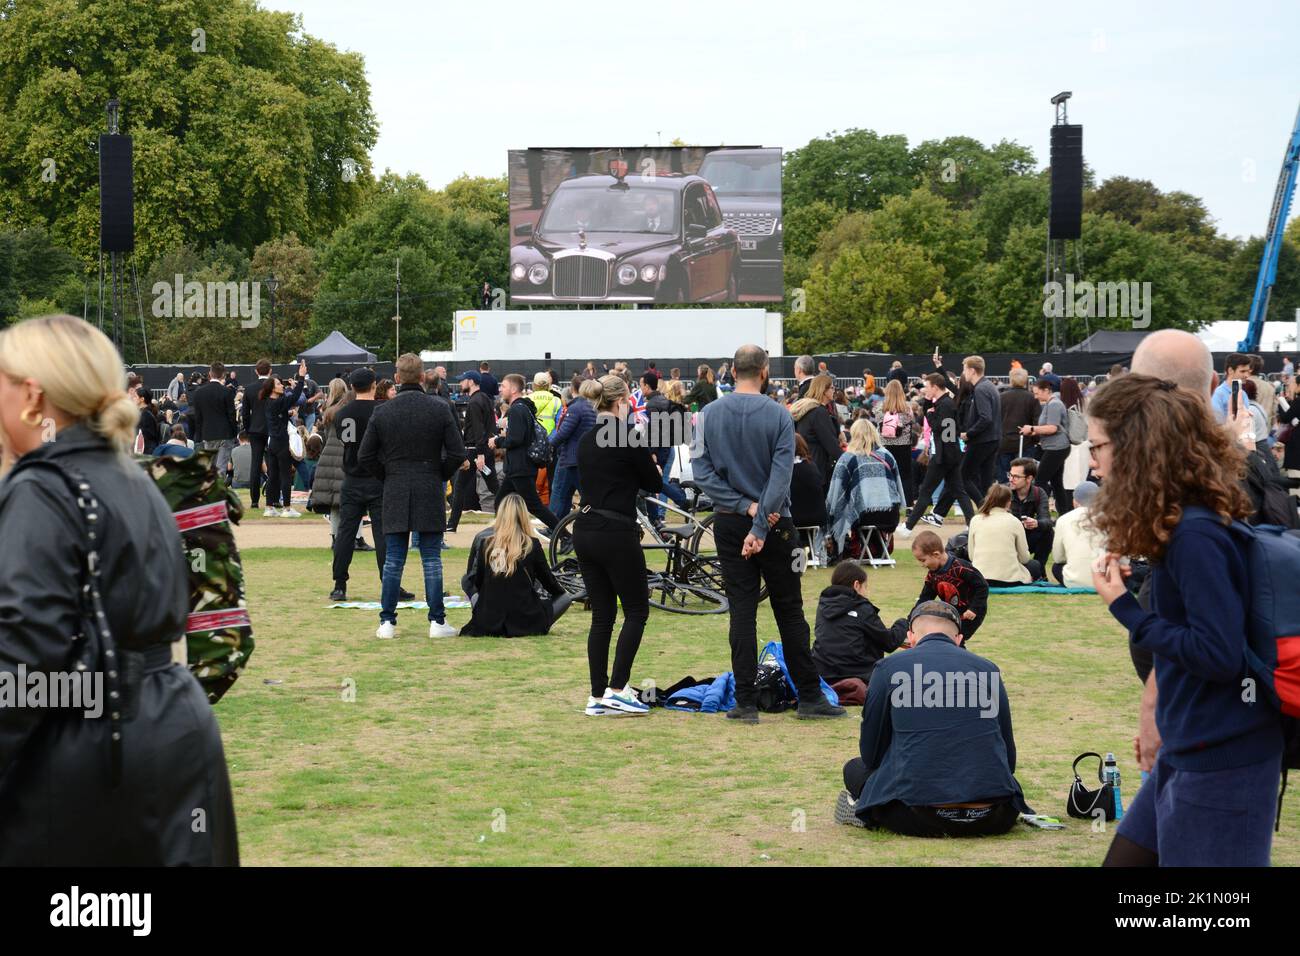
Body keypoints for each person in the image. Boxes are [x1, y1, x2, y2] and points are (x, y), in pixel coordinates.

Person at [0, 314, 238, 864]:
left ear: (33, 396)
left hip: (94, 744)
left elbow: (23, 655)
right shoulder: (135, 477)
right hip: (171, 725)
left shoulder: (44, 487)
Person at [1088, 374, 1284, 867]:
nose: (1094, 460)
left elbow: (1217, 654)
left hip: (1222, 756)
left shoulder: (1195, 533)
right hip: (1192, 745)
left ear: (1134, 447)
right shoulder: (1186, 525)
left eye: (1098, 446)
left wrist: (1125, 607)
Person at [691, 344, 847, 722]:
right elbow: (782, 476)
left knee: (742, 612)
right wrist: (760, 520)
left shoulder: (709, 414)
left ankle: (745, 702)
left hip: (731, 522)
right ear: (763, 372)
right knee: (790, 609)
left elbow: (701, 473)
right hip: (777, 524)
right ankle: (809, 697)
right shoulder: (778, 415)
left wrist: (745, 510)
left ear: (732, 372)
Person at [835, 601, 1027, 837]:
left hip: (917, 814)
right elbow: (1008, 759)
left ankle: (866, 808)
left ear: (911, 638)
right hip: (994, 815)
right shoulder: (988, 670)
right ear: (958, 639)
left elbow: (871, 754)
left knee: (854, 769)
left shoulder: (889, 668)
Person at [358, 353, 466, 639]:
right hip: (428, 483)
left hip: (395, 485)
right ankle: (437, 621)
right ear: (422, 377)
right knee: (431, 557)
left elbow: (365, 455)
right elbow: (457, 452)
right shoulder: (440, 408)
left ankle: (387, 622)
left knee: (394, 558)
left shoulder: (381, 412)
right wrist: (440, 473)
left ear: (396, 378)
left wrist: (387, 474)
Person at [574, 375, 660, 717]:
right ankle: (618, 687)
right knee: (636, 610)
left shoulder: (585, 439)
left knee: (603, 616)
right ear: (622, 401)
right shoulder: (627, 436)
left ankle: (598, 693)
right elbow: (653, 482)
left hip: (585, 527)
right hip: (616, 529)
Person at [330, 369, 405, 603]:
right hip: (378, 478)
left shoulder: (342, 413)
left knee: (345, 533)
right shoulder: (383, 410)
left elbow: (345, 442)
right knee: (383, 534)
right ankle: (390, 583)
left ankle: (339, 584)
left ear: (352, 387)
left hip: (351, 478)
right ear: (374, 385)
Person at [459, 494, 576, 637]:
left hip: (489, 618)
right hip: (524, 617)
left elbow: (477, 582)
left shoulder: (486, 543)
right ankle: (540, 625)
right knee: (565, 598)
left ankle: (486, 617)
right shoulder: (531, 545)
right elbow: (549, 583)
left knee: (470, 584)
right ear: (524, 516)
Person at [897, 373, 974, 537]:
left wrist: (931, 416)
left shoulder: (946, 405)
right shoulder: (943, 403)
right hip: (948, 455)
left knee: (926, 491)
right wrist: (929, 408)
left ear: (935, 387)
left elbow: (946, 431)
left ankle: (908, 527)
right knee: (959, 491)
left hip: (943, 456)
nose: (925, 389)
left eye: (927, 386)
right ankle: (972, 523)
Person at [812, 561, 907, 685]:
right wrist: (903, 623)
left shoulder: (823, 606)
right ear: (856, 585)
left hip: (823, 673)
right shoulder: (861, 607)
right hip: (858, 674)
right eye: (865, 587)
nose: (866, 592)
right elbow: (889, 642)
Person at [825, 418, 904, 562]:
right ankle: (877, 550)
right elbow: (898, 489)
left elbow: (836, 493)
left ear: (854, 434)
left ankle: (837, 552)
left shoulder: (848, 458)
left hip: (862, 516)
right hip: (890, 516)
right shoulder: (887, 455)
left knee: (839, 510)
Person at [489, 373, 557, 531]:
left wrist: (497, 441)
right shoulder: (524, 408)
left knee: (533, 506)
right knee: (501, 502)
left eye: (503, 386)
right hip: (517, 468)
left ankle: (564, 534)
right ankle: (506, 535)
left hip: (521, 467)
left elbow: (516, 439)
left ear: (513, 389)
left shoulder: (517, 409)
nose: (500, 389)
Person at [908, 529, 988, 641]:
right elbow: (925, 598)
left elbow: (982, 587)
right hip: (951, 612)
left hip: (971, 613)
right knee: (944, 637)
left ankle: (958, 657)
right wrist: (912, 617)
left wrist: (973, 608)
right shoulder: (933, 575)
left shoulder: (961, 568)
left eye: (923, 560)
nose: (922, 565)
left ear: (936, 554)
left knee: (955, 639)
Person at [447, 370, 500, 532]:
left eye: (463, 380)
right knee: (495, 488)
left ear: (471, 382)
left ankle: (451, 524)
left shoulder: (475, 402)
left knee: (460, 487)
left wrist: (480, 454)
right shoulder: (484, 398)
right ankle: (506, 517)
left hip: (474, 451)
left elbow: (478, 429)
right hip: (483, 450)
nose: (461, 383)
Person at [967, 483, 1043, 586]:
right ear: (1008, 502)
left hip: (981, 577)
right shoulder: (1014, 521)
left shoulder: (975, 520)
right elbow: (1024, 558)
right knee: (1035, 565)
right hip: (1010, 579)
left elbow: (972, 556)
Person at [259, 359, 308, 517]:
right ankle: (287, 508)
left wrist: (286, 414)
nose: (282, 386)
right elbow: (294, 397)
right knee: (285, 475)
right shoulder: (279, 401)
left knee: (273, 475)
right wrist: (301, 377)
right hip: (281, 442)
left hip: (272, 441)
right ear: (273, 389)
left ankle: (269, 507)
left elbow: (277, 415)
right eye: (279, 384)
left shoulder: (268, 402)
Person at [549, 378, 600, 521]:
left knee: (561, 493)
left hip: (571, 457)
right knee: (567, 493)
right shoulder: (593, 408)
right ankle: (558, 525)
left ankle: (554, 525)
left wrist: (549, 446)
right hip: (583, 457)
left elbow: (564, 432)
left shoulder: (576, 408)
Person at [1020, 379, 1072, 516]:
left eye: (1037, 393)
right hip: (1056, 447)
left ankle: (1039, 513)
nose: (1035, 397)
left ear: (1046, 390)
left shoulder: (1054, 404)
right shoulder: (1052, 403)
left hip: (1056, 448)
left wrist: (1032, 428)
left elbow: (1052, 428)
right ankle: (1064, 514)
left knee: (1041, 481)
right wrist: (1034, 431)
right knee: (1056, 483)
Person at [791, 373, 842, 495]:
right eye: (832, 388)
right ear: (824, 390)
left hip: (805, 465)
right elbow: (831, 445)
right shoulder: (819, 412)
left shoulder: (806, 409)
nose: (834, 391)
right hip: (818, 468)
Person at [1050, 479, 1105, 587]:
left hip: (1073, 581)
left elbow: (1058, 558)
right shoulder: (1110, 518)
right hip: (1105, 579)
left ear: (1075, 500)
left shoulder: (1063, 519)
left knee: (1056, 567)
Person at [191, 361, 238, 479]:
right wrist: (234, 432)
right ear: (223, 375)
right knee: (221, 468)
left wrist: (199, 435)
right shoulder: (227, 392)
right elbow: (231, 415)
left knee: (211, 468)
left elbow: (198, 417)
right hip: (225, 433)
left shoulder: (199, 393)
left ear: (209, 374)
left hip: (208, 434)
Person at [1006, 456, 1054, 569]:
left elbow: (1046, 520)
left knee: (1048, 532)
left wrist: (1036, 523)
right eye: (1010, 475)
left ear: (1029, 478)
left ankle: (1039, 569)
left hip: (1026, 538)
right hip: (1007, 539)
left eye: (1016, 476)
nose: (1011, 479)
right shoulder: (1003, 491)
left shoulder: (1038, 492)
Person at [874, 379, 916, 503]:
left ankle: (888, 501)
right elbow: (910, 421)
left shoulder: (880, 407)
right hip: (903, 445)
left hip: (885, 445)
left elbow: (877, 420)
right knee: (905, 475)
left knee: (886, 473)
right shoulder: (907, 408)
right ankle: (908, 504)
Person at [241, 358, 273, 510]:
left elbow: (245, 413)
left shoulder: (249, 388)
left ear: (256, 371)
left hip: (255, 429)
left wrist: (248, 429)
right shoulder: (275, 386)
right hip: (273, 428)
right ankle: (273, 498)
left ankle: (254, 500)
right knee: (274, 463)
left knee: (256, 463)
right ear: (270, 371)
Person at [997, 367, 1038, 482]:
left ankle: (1005, 499)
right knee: (1024, 478)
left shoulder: (1001, 397)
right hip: (1025, 443)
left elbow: (996, 420)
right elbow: (1036, 421)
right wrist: (1035, 440)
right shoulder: (1032, 398)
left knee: (1005, 479)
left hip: (1005, 442)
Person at [1210, 352, 1254, 423]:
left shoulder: (1243, 394)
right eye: (1242, 371)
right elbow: (1216, 424)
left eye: (1248, 372)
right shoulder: (1218, 394)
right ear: (1230, 370)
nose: (1246, 375)